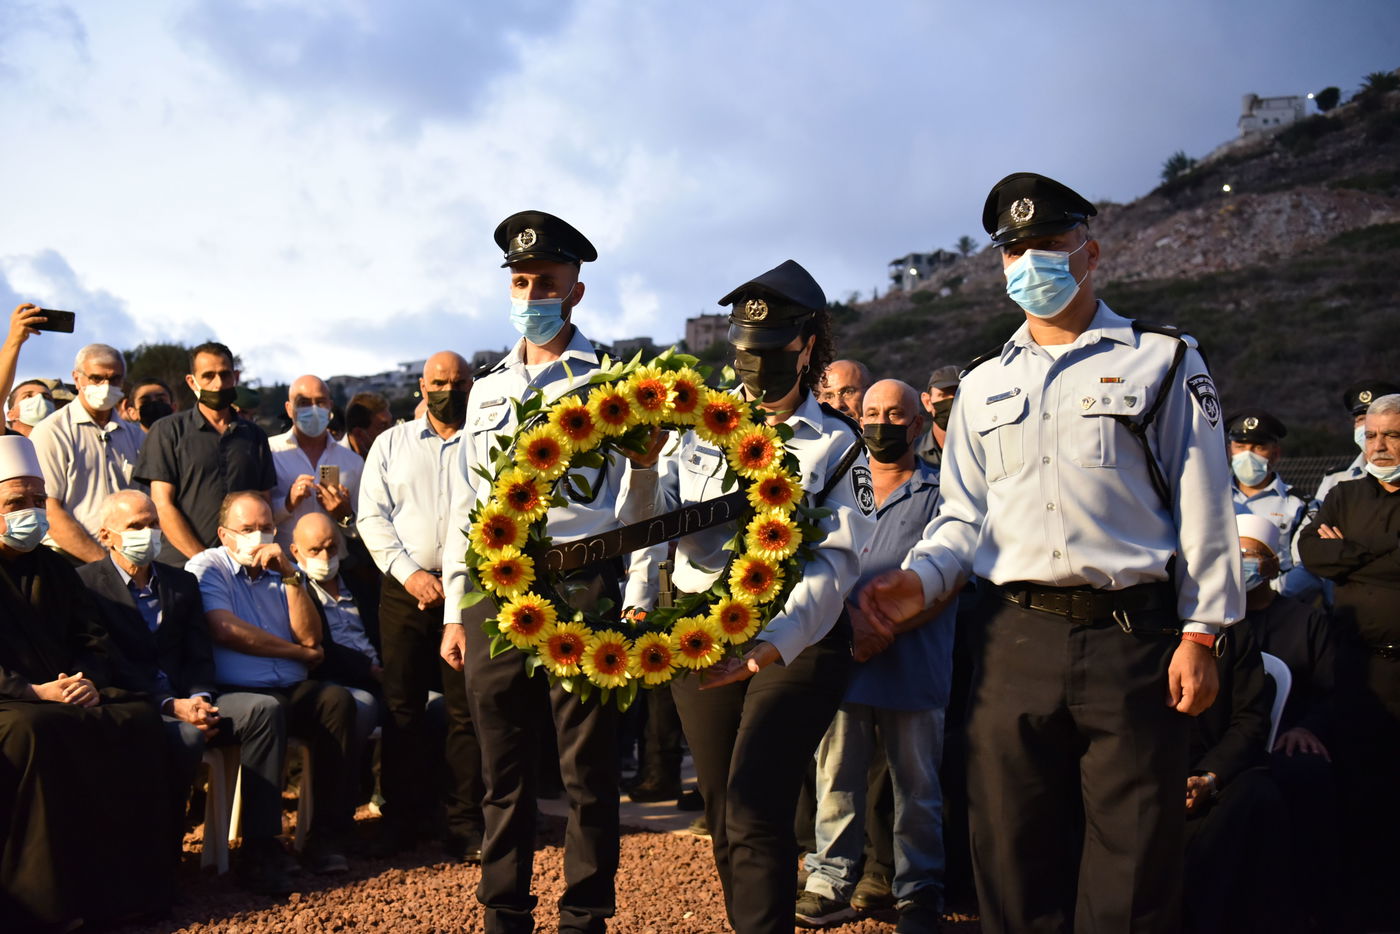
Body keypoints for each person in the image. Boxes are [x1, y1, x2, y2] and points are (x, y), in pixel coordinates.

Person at [861, 172, 1242, 934]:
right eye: (1014, 252)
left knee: (1132, 861)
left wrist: (1203, 633)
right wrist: (918, 580)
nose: (1030, 263)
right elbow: (962, 519)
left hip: (1133, 639)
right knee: (1008, 848)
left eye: (1048, 245)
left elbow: (1206, 505)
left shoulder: (1162, 362)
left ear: (1089, 252)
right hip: (1013, 639)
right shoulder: (979, 386)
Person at [631, 258, 876, 934]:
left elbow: (834, 565)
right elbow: (654, 524)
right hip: (704, 630)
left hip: (797, 643)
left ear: (806, 349)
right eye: (744, 355)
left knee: (755, 805)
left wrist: (771, 645)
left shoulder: (836, 445)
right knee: (722, 810)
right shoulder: (697, 428)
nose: (754, 368)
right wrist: (646, 473)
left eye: (770, 354)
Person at [440, 211, 661, 934]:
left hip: (582, 581)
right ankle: (503, 911)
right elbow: (464, 502)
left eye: (546, 282)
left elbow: (638, 501)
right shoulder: (487, 389)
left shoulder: (612, 384)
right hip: (495, 586)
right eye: (520, 279)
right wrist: (454, 607)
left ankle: (585, 915)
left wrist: (635, 591)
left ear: (576, 291)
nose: (530, 292)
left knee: (587, 773)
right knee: (501, 773)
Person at [797, 378, 953, 933]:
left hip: (913, 665)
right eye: (871, 413)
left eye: (895, 414)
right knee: (835, 776)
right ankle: (829, 878)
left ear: (917, 424)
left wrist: (885, 626)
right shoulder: (837, 485)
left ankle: (920, 890)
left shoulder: (942, 492)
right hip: (843, 658)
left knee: (917, 787)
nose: (881, 423)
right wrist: (850, 628)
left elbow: (951, 577)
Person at [0, 435, 174, 929]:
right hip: (13, 700)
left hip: (67, 692)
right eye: (16, 503)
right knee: (35, 733)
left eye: (38, 501)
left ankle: (128, 893)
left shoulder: (56, 566)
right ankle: (41, 906)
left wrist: (86, 680)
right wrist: (33, 692)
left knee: (136, 719)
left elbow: (92, 637)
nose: (31, 512)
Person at [76, 489, 289, 885]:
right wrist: (170, 705)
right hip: (140, 705)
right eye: (135, 526)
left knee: (264, 710)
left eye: (153, 523)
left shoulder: (181, 582)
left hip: (193, 698)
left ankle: (261, 849)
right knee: (186, 737)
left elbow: (198, 652)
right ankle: (160, 859)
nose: (149, 533)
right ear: (106, 536)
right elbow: (105, 662)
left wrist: (200, 697)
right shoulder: (86, 586)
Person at [187, 491, 358, 879]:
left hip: (289, 687)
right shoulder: (207, 566)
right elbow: (225, 629)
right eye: (247, 529)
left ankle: (326, 835)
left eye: (266, 528)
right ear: (224, 534)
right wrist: (295, 654)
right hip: (234, 692)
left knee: (336, 701)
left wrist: (291, 577)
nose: (258, 537)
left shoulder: (282, 570)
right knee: (266, 710)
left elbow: (312, 639)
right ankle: (261, 848)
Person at [358, 351, 485, 862]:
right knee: (402, 708)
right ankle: (402, 821)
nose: (447, 390)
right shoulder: (392, 443)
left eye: (457, 382)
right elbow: (371, 517)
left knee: (465, 712)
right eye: (438, 382)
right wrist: (410, 573)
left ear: (471, 385)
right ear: (421, 384)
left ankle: (464, 823)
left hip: (470, 592)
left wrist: (455, 586)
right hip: (404, 591)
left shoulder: (486, 444)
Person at [1296, 392, 1400, 929]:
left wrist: (1350, 553)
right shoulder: (1344, 495)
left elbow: (1337, 558)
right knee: (1363, 793)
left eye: (1393, 436)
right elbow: (1313, 554)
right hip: (1359, 670)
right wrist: (1373, 553)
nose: (1380, 446)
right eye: (1372, 435)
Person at [1235, 512, 1341, 925]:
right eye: (1235, 553)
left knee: (1308, 777)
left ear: (1274, 564)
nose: (1241, 562)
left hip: (1285, 742)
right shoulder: (1214, 619)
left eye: (1251, 554)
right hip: (1225, 744)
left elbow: (1332, 691)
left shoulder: (1307, 620)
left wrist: (1306, 728)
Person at [1180, 553, 1291, 934]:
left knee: (1256, 798)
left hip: (1215, 773)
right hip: (1142, 771)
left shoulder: (1233, 631)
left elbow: (1250, 721)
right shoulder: (1123, 632)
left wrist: (1209, 778)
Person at [133, 341, 276, 565]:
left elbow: (263, 503)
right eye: (208, 376)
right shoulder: (168, 431)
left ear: (235, 377)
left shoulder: (255, 436)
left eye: (225, 374)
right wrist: (204, 559)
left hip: (243, 568)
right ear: (192, 381)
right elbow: (162, 504)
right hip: (182, 566)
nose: (218, 384)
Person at [291, 511, 384, 789]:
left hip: (380, 676)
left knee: (433, 706)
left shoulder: (357, 584)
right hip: (332, 680)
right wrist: (367, 669)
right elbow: (313, 645)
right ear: (296, 551)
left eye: (331, 547)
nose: (324, 556)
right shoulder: (295, 589)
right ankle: (345, 799)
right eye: (315, 549)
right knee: (360, 706)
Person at [30, 343, 145, 562]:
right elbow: (49, 509)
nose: (106, 386)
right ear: (77, 378)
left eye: (114, 379)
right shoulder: (52, 431)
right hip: (68, 559)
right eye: (96, 378)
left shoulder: (136, 436)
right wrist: (103, 565)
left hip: (128, 559)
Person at [1224, 409, 1314, 599]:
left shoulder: (1300, 505)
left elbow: (1306, 566)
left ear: (1275, 453)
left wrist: (1266, 595)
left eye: (1258, 447)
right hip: (1219, 605)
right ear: (1229, 449)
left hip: (1276, 605)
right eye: (1240, 446)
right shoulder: (1211, 498)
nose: (1247, 455)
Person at [270, 373, 363, 547]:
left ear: (330, 408)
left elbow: (365, 528)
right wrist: (287, 504)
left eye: (320, 402)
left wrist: (344, 515)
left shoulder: (353, 462)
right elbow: (257, 520)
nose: (313, 409)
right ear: (289, 409)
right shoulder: (271, 452)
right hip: (285, 565)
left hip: (334, 565)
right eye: (304, 403)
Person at [1310, 378, 1400, 513]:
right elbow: (1318, 529)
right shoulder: (1336, 479)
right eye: (1361, 419)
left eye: (1374, 416)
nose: (1366, 427)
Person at [0, 303, 48, 436]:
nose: (40, 400)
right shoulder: (7, 440)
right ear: (11, 413)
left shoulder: (69, 445)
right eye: (28, 396)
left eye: (47, 397)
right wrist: (14, 339)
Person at [914, 365, 958, 472]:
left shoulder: (988, 449)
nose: (952, 402)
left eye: (958, 394)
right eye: (943, 395)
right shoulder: (911, 454)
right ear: (927, 402)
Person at [345, 391, 393, 459]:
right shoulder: (335, 461)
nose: (392, 431)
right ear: (358, 433)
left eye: (391, 424)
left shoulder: (392, 456)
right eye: (383, 426)